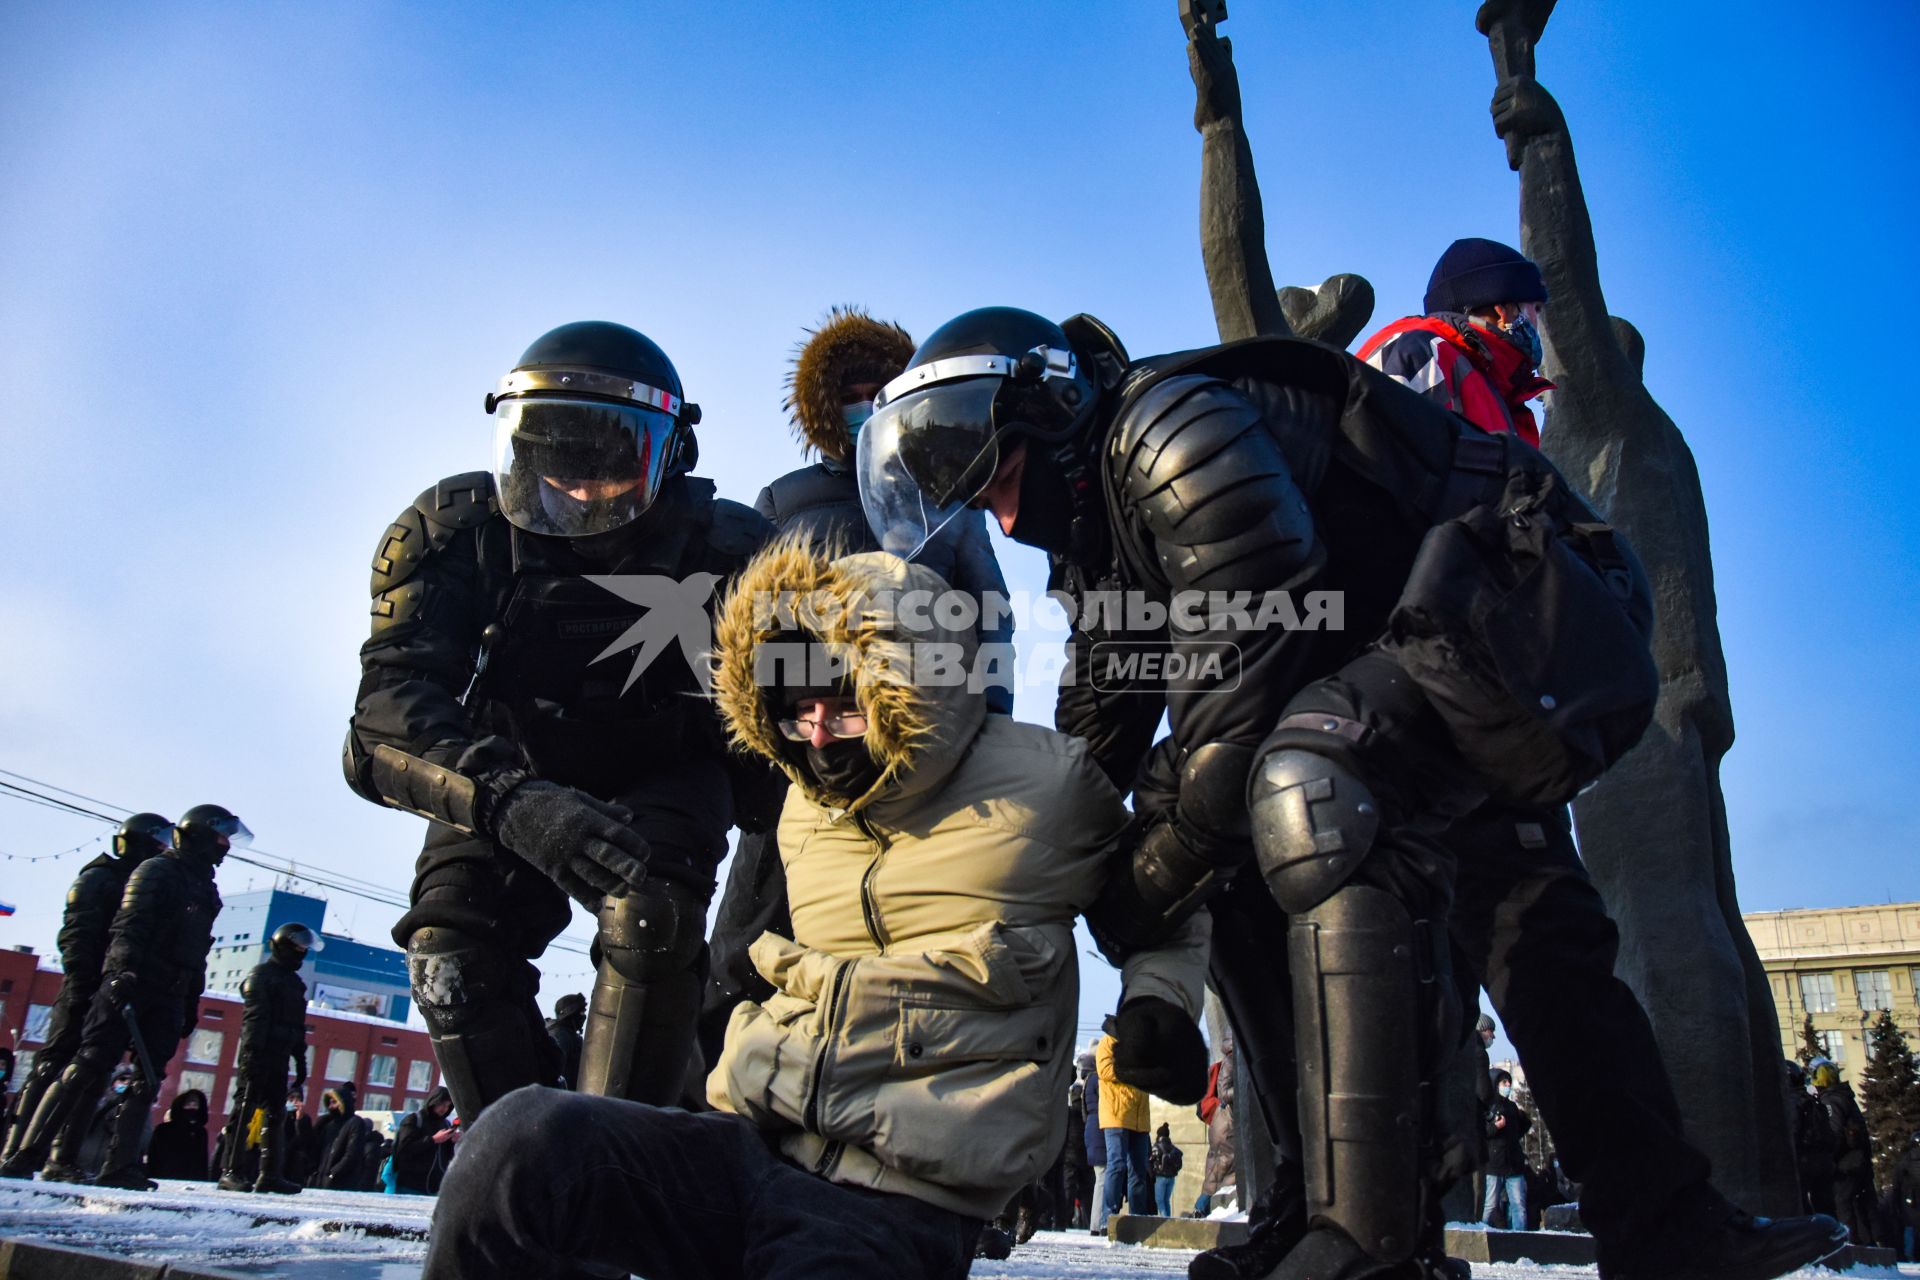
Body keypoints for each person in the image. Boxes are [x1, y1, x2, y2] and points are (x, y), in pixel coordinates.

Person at [855, 305, 1846, 1280]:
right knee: (1346, 869)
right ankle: (1349, 1203)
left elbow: (1243, 692)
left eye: (993, 468)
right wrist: (1046, 898)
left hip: (1526, 595)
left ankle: (1372, 1238)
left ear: (1043, 401)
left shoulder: (1168, 427)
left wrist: (1130, 894)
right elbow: (1093, 745)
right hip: (1405, 646)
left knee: (1304, 790)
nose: (992, 504)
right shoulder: (1096, 539)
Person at [417, 540, 1209, 1279]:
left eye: (844, 706)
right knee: (519, 1146)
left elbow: (1159, 909)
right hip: (747, 1150)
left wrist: (1160, 1005)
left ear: (908, 685)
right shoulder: (801, 804)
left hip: (904, 1202)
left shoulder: (1049, 786)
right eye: (797, 711)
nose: (820, 735)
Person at [343, 321, 772, 1122]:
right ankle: (516, 1166)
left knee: (650, 922)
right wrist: (511, 802)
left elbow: (786, 719)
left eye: (609, 462)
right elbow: (382, 722)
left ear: (667, 457)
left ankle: (610, 1171)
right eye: (557, 459)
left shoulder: (734, 551)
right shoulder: (457, 535)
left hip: (667, 767)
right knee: (448, 956)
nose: (582, 489)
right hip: (505, 767)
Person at [700, 306, 1014, 1073]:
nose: (867, 403)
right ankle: (709, 1101)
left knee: (897, 935)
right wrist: (762, 744)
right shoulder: (783, 500)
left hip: (917, 757)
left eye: (883, 388)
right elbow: (743, 626)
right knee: (745, 942)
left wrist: (991, 726)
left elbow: (991, 616)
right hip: (805, 757)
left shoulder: (945, 493)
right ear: (822, 406)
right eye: (852, 390)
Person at [2, 806, 241, 1188]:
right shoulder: (154, 871)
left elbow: (198, 951)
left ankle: (120, 1165)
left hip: (170, 990)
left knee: (148, 1077)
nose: (227, 845)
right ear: (199, 833)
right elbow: (126, 927)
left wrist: (190, 1000)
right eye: (222, 835)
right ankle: (24, 1155)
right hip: (128, 982)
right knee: (87, 1062)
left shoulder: (204, 888)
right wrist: (118, 975)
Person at [1, 813, 170, 1165]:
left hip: (114, 986)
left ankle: (63, 1158)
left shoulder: (144, 883)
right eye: (157, 845)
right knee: (55, 1063)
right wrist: (84, 979)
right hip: (86, 985)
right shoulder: (99, 879)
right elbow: (77, 935)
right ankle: (16, 1150)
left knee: (96, 1072)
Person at [1356, 237, 1552, 447]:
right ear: (1505, 310)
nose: (1539, 322)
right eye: (1536, 309)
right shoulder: (1419, 355)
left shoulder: (1494, 389)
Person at [219, 923, 317, 1194]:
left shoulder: (295, 984)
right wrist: (250, 1056)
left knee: (276, 1114)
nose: (302, 953)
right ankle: (231, 1171)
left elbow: (298, 1025)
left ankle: (270, 1173)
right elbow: (254, 1021)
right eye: (299, 948)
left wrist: (299, 1058)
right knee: (244, 1111)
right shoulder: (261, 976)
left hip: (280, 1056)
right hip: (259, 1054)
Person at [1814, 1061, 1878, 1247]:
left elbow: (1834, 1132)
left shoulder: (1831, 1101)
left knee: (1843, 1202)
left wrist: (1829, 1158)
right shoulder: (1846, 1097)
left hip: (1846, 1163)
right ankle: (1873, 1241)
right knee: (1864, 1204)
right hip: (1859, 1160)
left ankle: (1849, 1242)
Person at [1097, 1030, 1155, 1219]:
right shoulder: (1108, 1041)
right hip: (1116, 1115)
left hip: (1139, 1118)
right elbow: (1104, 1069)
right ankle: (1108, 1217)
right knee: (1117, 1165)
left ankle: (1137, 1218)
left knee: (1139, 1170)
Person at [1483, 1069, 1532, 1229]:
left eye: (1509, 1082)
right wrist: (1496, 1126)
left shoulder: (1511, 1106)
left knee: (1518, 1204)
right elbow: (1484, 1132)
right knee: (1490, 1204)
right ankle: (1483, 1232)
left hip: (1513, 1163)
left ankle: (1520, 1237)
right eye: (1504, 1083)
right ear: (1496, 1085)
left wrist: (1523, 1121)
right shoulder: (1489, 1107)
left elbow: (1516, 1132)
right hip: (1495, 1163)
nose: (1508, 1086)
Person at [1787, 1060, 1836, 1215]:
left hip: (1805, 1159)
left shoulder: (1792, 1102)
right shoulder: (1813, 1100)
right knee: (1826, 1204)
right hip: (1823, 1158)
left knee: (1801, 1205)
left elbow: (1794, 1130)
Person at [1196, 1038, 1235, 1217]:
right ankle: (1202, 1208)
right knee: (1220, 1172)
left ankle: (1201, 1209)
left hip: (1222, 1123)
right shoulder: (1231, 1060)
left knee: (1215, 1171)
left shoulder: (1230, 1058)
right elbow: (1225, 1092)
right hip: (1226, 1124)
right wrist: (1243, 1089)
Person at [391, 1086, 454, 1195]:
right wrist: (433, 1140)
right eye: (442, 1104)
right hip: (410, 1185)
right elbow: (403, 1149)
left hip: (435, 1186)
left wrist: (452, 1141)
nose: (444, 1109)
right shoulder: (414, 1119)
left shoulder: (445, 1124)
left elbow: (446, 1156)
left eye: (448, 1106)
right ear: (433, 1101)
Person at [311, 1084, 372, 1191]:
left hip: (341, 1183)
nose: (331, 1106)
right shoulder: (329, 1125)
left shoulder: (355, 1123)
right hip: (322, 1181)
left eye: (334, 1102)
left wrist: (333, 1173)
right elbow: (317, 1150)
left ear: (343, 1102)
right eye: (329, 1102)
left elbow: (352, 1154)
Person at [143, 1088, 212, 1182]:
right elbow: (154, 1156)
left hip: (191, 1181)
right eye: (188, 1105)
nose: (191, 1108)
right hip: (163, 1178)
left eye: (195, 1105)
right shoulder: (163, 1129)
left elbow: (202, 1160)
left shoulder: (200, 1132)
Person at [544, 993, 585, 1090]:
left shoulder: (570, 1035)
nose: (584, 1016)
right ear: (571, 1013)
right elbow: (555, 1071)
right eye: (581, 1012)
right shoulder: (560, 1035)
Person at [1152, 1122, 1185, 1217]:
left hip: (1160, 1177)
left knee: (1160, 1201)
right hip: (1171, 1178)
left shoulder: (1156, 1147)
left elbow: (1150, 1160)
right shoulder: (1172, 1147)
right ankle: (1168, 1220)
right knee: (1166, 1201)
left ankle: (1164, 1221)